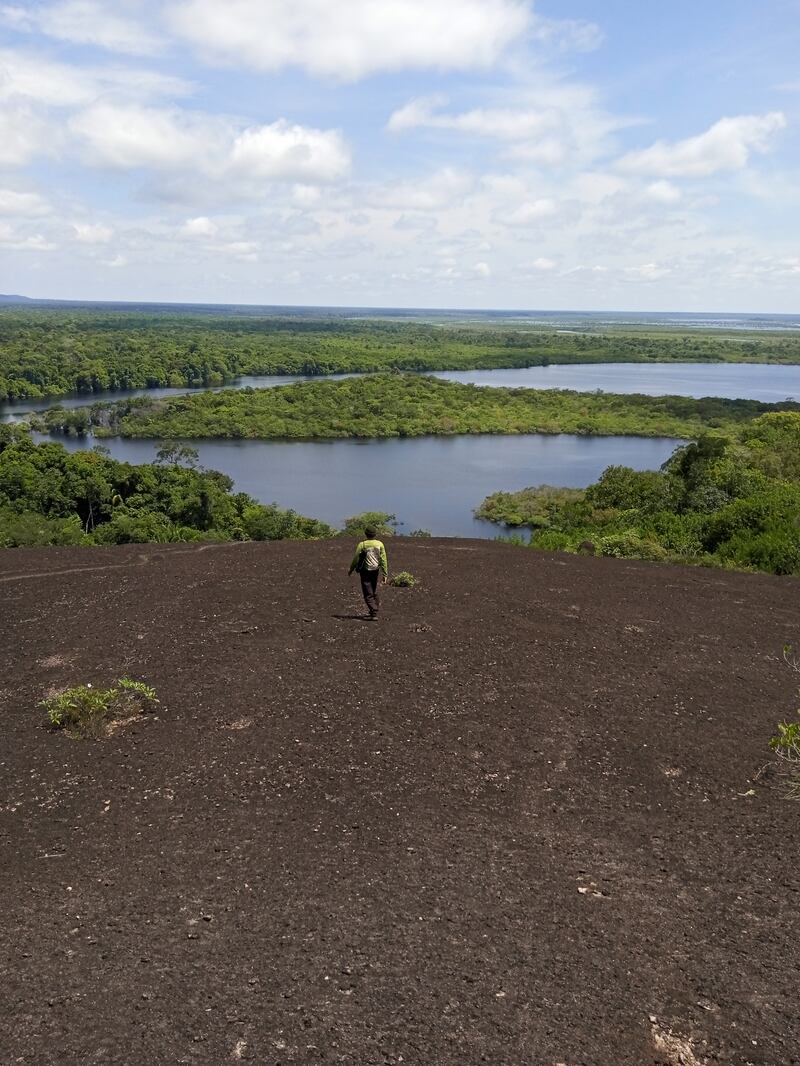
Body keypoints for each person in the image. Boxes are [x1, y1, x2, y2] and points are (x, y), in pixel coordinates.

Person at [348, 525, 388, 620]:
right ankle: (373, 611)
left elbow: (356, 558)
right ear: (375, 534)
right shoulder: (380, 544)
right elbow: (383, 559)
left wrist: (351, 569)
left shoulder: (362, 545)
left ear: (366, 534)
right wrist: (385, 574)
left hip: (365, 571)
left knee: (367, 592)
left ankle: (374, 612)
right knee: (373, 590)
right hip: (375, 570)